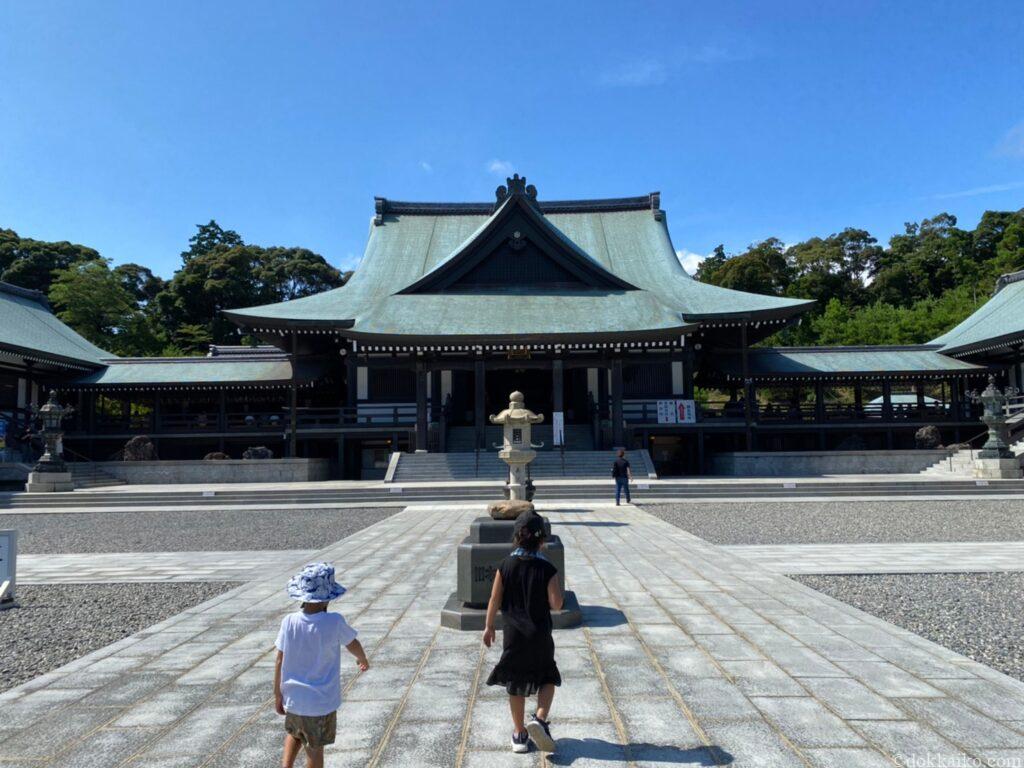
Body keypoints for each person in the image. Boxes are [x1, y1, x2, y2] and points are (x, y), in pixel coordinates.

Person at [275, 562, 369, 768]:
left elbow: (280, 660)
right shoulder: (334, 622)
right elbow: (353, 643)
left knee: (294, 733)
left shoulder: (289, 621)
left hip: (294, 698)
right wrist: (362, 659)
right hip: (319, 703)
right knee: (315, 749)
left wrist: (278, 695)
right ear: (327, 597)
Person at [483, 511, 563, 754]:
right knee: (548, 676)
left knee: (516, 683)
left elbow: (494, 599)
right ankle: (539, 719)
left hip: (514, 635)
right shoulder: (547, 568)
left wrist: (488, 626)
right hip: (539, 634)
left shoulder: (505, 565)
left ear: (517, 536)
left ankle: (519, 734)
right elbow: (557, 604)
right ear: (542, 540)